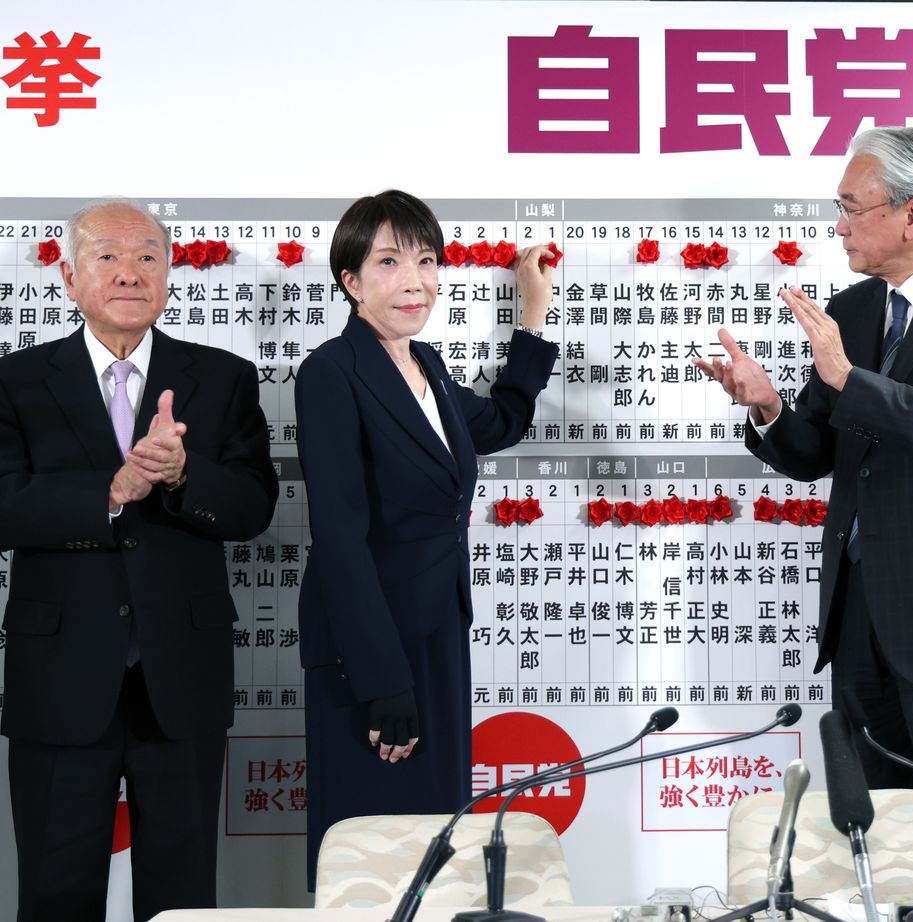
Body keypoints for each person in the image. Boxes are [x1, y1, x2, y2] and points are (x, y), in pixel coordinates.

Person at [694, 127, 913, 901]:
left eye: (852, 208)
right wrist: (770, 404)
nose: (838, 226)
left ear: (912, 216)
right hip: (858, 622)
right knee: (874, 834)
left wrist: (851, 379)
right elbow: (818, 450)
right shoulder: (852, 307)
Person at [0, 198, 279, 921]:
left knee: (183, 895)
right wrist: (113, 489)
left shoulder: (222, 377)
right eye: (108, 256)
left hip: (180, 675)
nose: (131, 272)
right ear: (67, 276)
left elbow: (253, 508)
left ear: (169, 273)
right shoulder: (15, 381)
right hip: (60, 677)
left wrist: (186, 476)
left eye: (148, 256)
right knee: (55, 893)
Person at [295, 190, 559, 886]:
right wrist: (382, 683)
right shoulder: (331, 373)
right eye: (388, 261)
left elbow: (500, 422)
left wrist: (532, 314)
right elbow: (341, 539)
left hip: (438, 635)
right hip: (369, 651)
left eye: (426, 260)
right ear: (350, 281)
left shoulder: (430, 368)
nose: (415, 279)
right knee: (368, 850)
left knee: (433, 843)